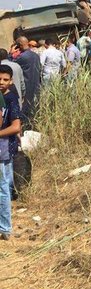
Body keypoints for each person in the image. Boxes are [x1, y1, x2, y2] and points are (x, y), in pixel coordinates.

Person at [0, 65, 21, 240]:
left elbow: (16, 126)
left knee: (3, 188)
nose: (1, 82)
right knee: (4, 185)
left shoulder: (10, 99)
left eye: (5, 80)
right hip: (4, 148)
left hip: (5, 148)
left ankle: (5, 228)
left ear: (11, 81)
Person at [13, 36, 41, 124]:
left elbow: (10, 65)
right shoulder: (36, 55)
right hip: (36, 83)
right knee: (34, 105)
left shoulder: (22, 57)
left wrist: (11, 53)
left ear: (19, 45)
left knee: (26, 106)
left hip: (26, 83)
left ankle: (26, 124)